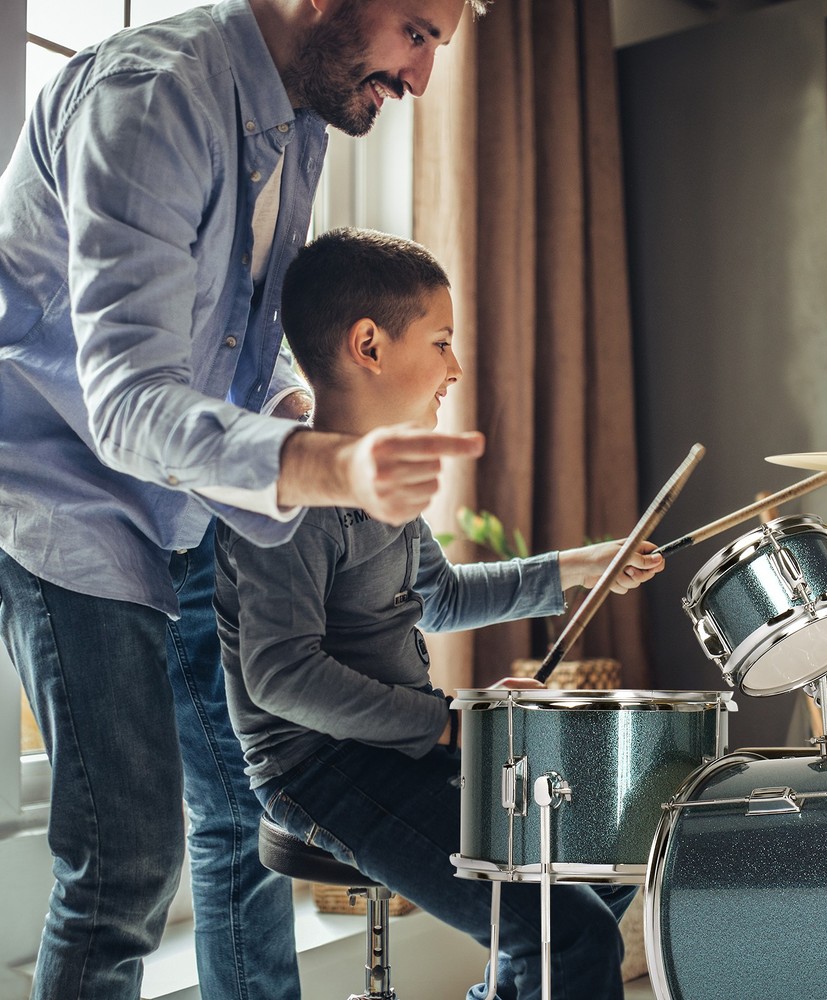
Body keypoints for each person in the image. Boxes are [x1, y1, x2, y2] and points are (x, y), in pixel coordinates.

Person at [0, 3, 486, 999]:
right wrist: (330, 466)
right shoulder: (150, 100)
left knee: (246, 816)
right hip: (60, 495)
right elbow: (132, 401)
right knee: (126, 863)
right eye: (418, 31)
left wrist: (312, 419)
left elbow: (234, 356)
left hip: (187, 497)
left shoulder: (295, 122)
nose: (424, 76)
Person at [214, 227, 666, 1000]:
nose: (455, 367)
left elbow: (443, 595)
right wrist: (454, 722)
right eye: (443, 341)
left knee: (606, 848)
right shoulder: (287, 496)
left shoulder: (384, 474)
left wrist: (581, 569)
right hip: (319, 769)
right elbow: (281, 677)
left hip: (402, 742)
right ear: (369, 345)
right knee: (575, 933)